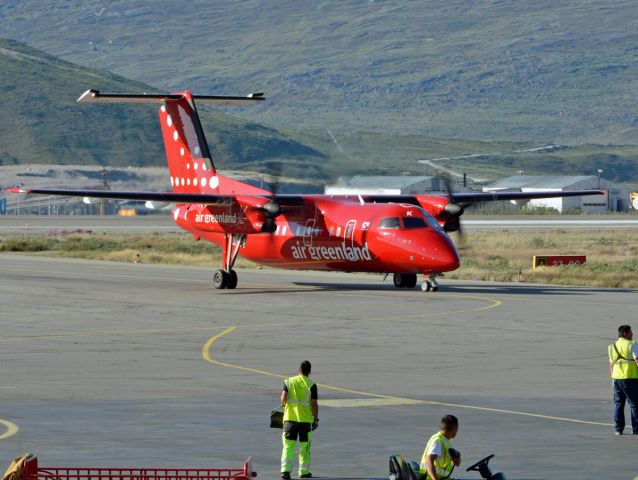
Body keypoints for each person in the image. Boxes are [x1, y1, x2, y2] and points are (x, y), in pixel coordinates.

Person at [280, 360, 319, 480]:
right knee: (305, 447)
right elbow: (314, 404)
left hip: (290, 420)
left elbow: (283, 398)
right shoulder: (311, 384)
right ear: (310, 372)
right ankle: (303, 472)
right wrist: (315, 419)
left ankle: (285, 472)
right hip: (305, 422)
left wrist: (284, 405)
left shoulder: (289, 381)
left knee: (288, 446)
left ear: (299, 370)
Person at [608, 324, 638, 435]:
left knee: (618, 404)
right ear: (625, 333)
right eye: (630, 332)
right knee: (635, 404)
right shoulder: (633, 345)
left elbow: (611, 364)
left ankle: (618, 429)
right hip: (630, 378)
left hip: (616, 379)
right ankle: (636, 429)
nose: (632, 334)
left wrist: (613, 379)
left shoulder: (611, 347)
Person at [419, 415, 461, 480]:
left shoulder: (445, 441)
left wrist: (456, 458)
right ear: (455, 428)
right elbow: (428, 461)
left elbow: (457, 464)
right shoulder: (438, 441)